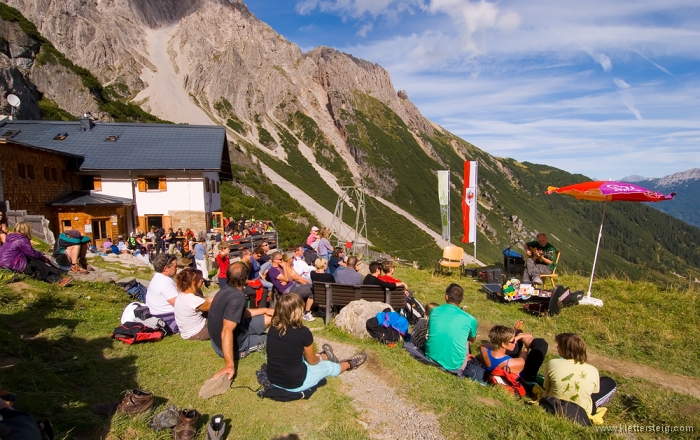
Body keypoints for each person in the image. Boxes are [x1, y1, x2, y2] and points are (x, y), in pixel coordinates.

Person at [266, 293, 367, 391]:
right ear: (297, 311)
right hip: (295, 383)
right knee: (328, 367)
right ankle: (349, 363)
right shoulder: (303, 332)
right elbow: (312, 361)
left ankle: (326, 356)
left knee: (303, 358)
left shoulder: (273, 328)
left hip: (273, 379)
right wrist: (317, 359)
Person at [210, 262, 274, 380]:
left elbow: (239, 313)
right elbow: (226, 330)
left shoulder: (224, 290)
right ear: (245, 278)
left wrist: (265, 309)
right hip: (234, 345)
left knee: (270, 318)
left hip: (236, 330)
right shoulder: (237, 297)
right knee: (274, 339)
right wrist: (229, 365)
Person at [543, 333, 616, 415]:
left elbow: (546, 386)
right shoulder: (593, 370)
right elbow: (594, 392)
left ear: (565, 349)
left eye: (559, 345)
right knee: (609, 382)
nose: (557, 347)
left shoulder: (553, 363)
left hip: (553, 404)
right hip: (581, 411)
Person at [425, 284, 478, 371]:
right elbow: (472, 339)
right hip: (455, 365)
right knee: (465, 339)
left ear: (446, 297)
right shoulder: (470, 319)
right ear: (463, 298)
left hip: (430, 356)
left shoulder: (434, 311)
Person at [0, 222, 71, 286]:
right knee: (37, 265)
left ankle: (58, 275)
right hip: (12, 264)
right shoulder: (22, 239)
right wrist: (44, 258)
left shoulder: (11, 238)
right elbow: (32, 253)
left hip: (4, 263)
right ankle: (57, 280)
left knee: (34, 261)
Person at [479, 324, 549, 385]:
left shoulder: (484, 348)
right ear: (503, 344)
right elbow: (523, 359)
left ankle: (519, 333)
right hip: (524, 376)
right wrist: (526, 347)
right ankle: (521, 335)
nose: (515, 342)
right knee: (541, 343)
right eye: (512, 341)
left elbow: (493, 345)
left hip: (498, 361)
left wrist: (517, 337)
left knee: (516, 332)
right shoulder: (510, 363)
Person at [267, 252, 315, 321]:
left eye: (282, 259)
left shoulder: (280, 268)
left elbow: (289, 278)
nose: (282, 261)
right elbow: (286, 278)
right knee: (311, 291)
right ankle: (307, 313)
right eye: (280, 259)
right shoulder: (273, 270)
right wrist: (284, 269)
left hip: (293, 285)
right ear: (275, 260)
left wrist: (285, 279)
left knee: (313, 286)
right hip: (287, 290)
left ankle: (311, 310)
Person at [174, 268, 212, 340]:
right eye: (200, 278)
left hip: (186, 332)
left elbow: (206, 300)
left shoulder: (182, 294)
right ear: (194, 282)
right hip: (197, 333)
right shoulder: (193, 300)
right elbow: (216, 307)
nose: (202, 280)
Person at [145, 253, 180, 334]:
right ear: (165, 268)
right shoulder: (165, 282)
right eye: (175, 267)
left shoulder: (158, 278)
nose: (177, 268)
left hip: (158, 315)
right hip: (168, 317)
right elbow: (179, 304)